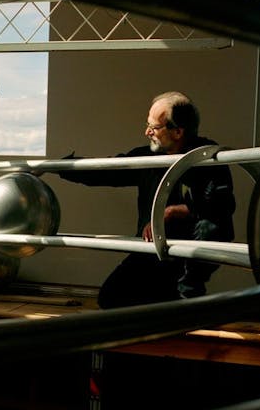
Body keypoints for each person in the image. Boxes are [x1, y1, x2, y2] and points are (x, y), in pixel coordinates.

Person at [54, 91, 236, 308]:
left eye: (154, 127)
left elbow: (221, 204)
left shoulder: (207, 157)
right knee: (111, 298)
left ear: (177, 131)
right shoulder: (148, 158)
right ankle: (168, 307)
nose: (147, 131)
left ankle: (186, 299)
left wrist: (170, 212)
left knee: (210, 231)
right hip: (151, 252)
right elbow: (106, 171)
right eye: (147, 124)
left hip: (184, 256)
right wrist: (60, 166)